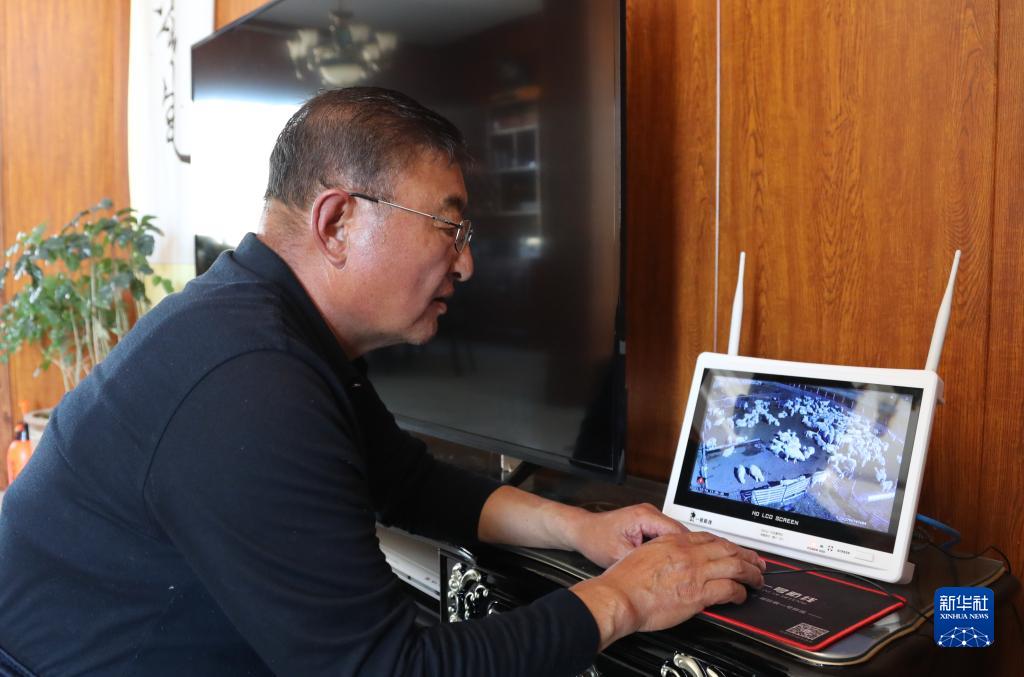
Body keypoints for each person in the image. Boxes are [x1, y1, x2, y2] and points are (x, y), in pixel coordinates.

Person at [0, 87, 764, 676]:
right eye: (449, 227)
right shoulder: (250, 379)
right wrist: (623, 598)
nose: (466, 262)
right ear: (337, 223)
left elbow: (409, 483)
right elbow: (385, 669)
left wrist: (579, 528)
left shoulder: (268, 324)